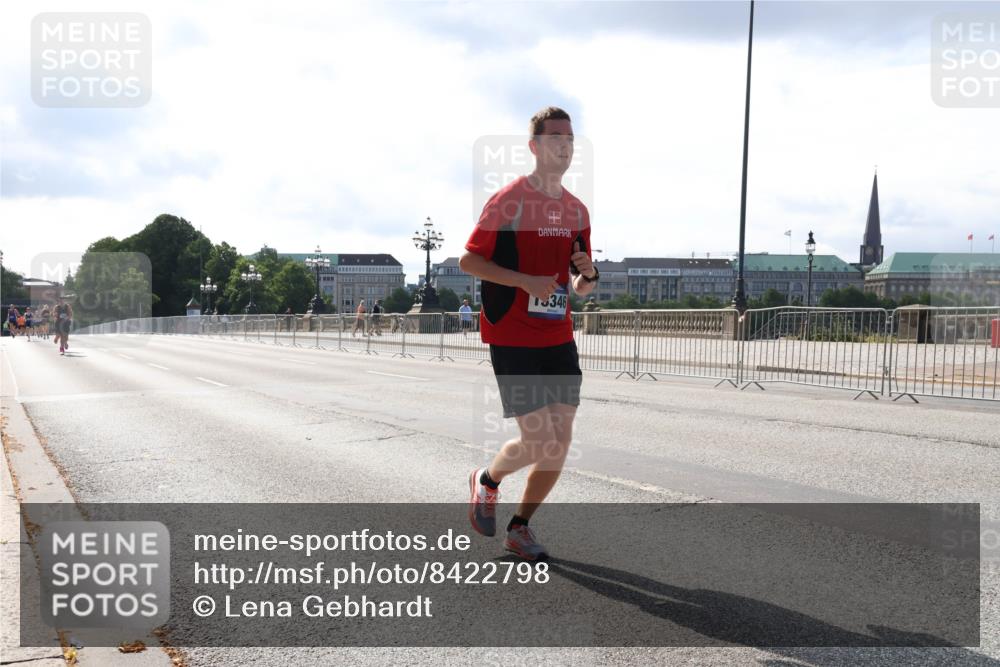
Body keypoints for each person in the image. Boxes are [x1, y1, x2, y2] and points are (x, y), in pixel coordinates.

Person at [461, 106, 598, 561]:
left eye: (570, 137)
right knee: (539, 440)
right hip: (512, 334)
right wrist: (523, 281)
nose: (565, 144)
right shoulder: (510, 200)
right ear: (535, 146)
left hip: (557, 336)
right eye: (555, 136)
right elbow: (470, 262)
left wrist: (588, 276)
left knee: (560, 442)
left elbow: (579, 285)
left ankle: (520, 528)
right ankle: (488, 481)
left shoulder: (577, 211)